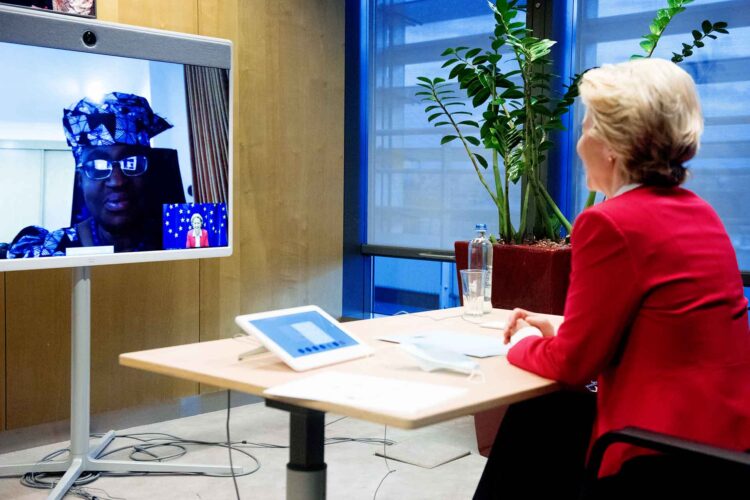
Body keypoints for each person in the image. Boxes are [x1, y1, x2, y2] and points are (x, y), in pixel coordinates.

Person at [474, 58, 750, 499]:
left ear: (612, 146)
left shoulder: (611, 223)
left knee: (534, 419)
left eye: (585, 128)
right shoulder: (702, 214)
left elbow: (572, 365)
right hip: (725, 452)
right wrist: (561, 332)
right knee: (545, 419)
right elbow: (664, 333)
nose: (579, 142)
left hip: (657, 456)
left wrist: (522, 347)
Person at [8, 92, 172, 257]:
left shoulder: (178, 242)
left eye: (131, 163)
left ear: (149, 173)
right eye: (98, 166)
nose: (117, 181)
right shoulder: (46, 252)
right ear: (80, 180)